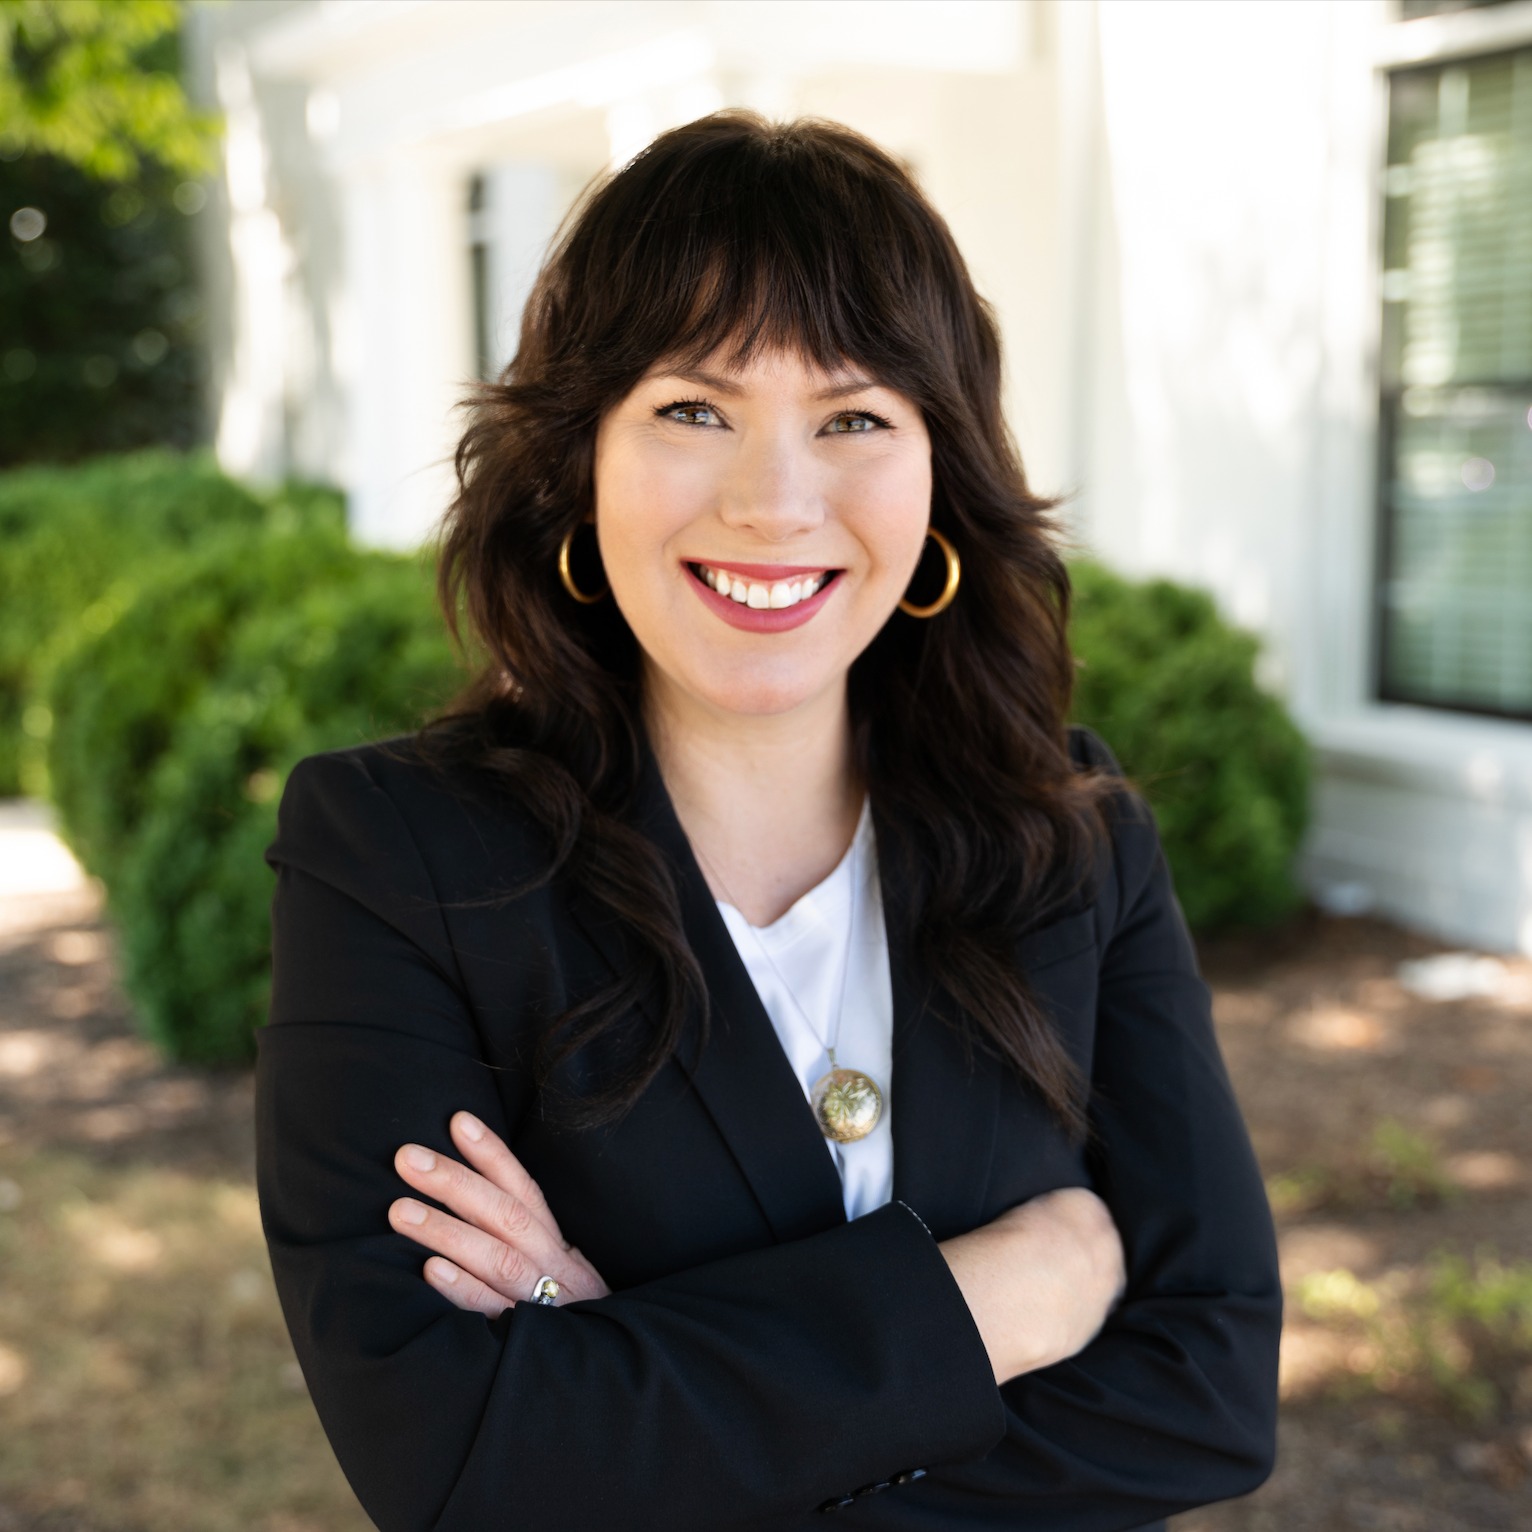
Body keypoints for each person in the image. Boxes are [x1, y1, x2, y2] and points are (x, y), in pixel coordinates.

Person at [255, 110, 1281, 1532]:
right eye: (694, 409)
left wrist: (620, 1375)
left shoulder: (1075, 840)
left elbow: (1211, 1395)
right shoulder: (402, 854)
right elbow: (456, 1467)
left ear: (939, 473)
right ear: (577, 461)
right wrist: (991, 1303)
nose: (774, 500)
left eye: (853, 417)